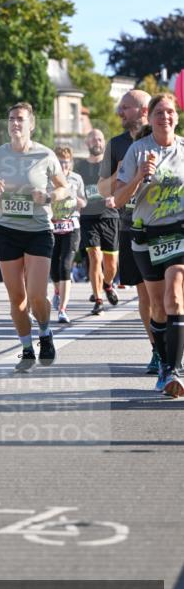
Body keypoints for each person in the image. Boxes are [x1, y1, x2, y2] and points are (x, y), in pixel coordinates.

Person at [0, 102, 68, 371]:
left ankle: (45, 332)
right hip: (7, 231)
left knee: (37, 295)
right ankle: (27, 349)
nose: (15, 124)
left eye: (20, 119)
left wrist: (50, 196)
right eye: (11, 119)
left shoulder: (45, 155)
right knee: (17, 298)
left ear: (31, 124)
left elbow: (63, 189)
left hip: (39, 230)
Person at [115, 93, 184, 397]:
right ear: (150, 116)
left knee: (175, 296)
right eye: (159, 112)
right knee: (157, 306)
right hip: (146, 233)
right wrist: (140, 178)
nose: (165, 117)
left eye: (170, 112)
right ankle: (163, 361)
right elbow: (118, 199)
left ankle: (174, 370)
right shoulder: (137, 151)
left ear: (177, 117)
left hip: (179, 231)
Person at [98, 90, 156, 371]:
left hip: (162, 225)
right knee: (144, 296)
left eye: (126, 108)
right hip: (129, 225)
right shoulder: (116, 145)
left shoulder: (160, 141)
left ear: (144, 110)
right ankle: (157, 349)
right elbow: (101, 189)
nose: (120, 113)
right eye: (120, 108)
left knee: (169, 291)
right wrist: (119, 172)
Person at [76, 128, 120, 315]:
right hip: (88, 218)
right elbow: (72, 188)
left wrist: (115, 197)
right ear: (87, 143)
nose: (97, 143)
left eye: (100, 139)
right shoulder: (79, 167)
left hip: (109, 216)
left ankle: (108, 285)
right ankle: (98, 299)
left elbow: (123, 185)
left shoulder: (111, 165)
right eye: (93, 139)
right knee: (95, 257)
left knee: (111, 265)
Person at [50, 146, 86, 323]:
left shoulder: (76, 179)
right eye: (60, 162)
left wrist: (78, 200)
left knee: (65, 265)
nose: (63, 166)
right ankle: (57, 291)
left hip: (72, 227)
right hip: (53, 228)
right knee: (53, 268)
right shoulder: (49, 179)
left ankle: (62, 309)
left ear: (70, 163)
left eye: (66, 162)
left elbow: (84, 202)